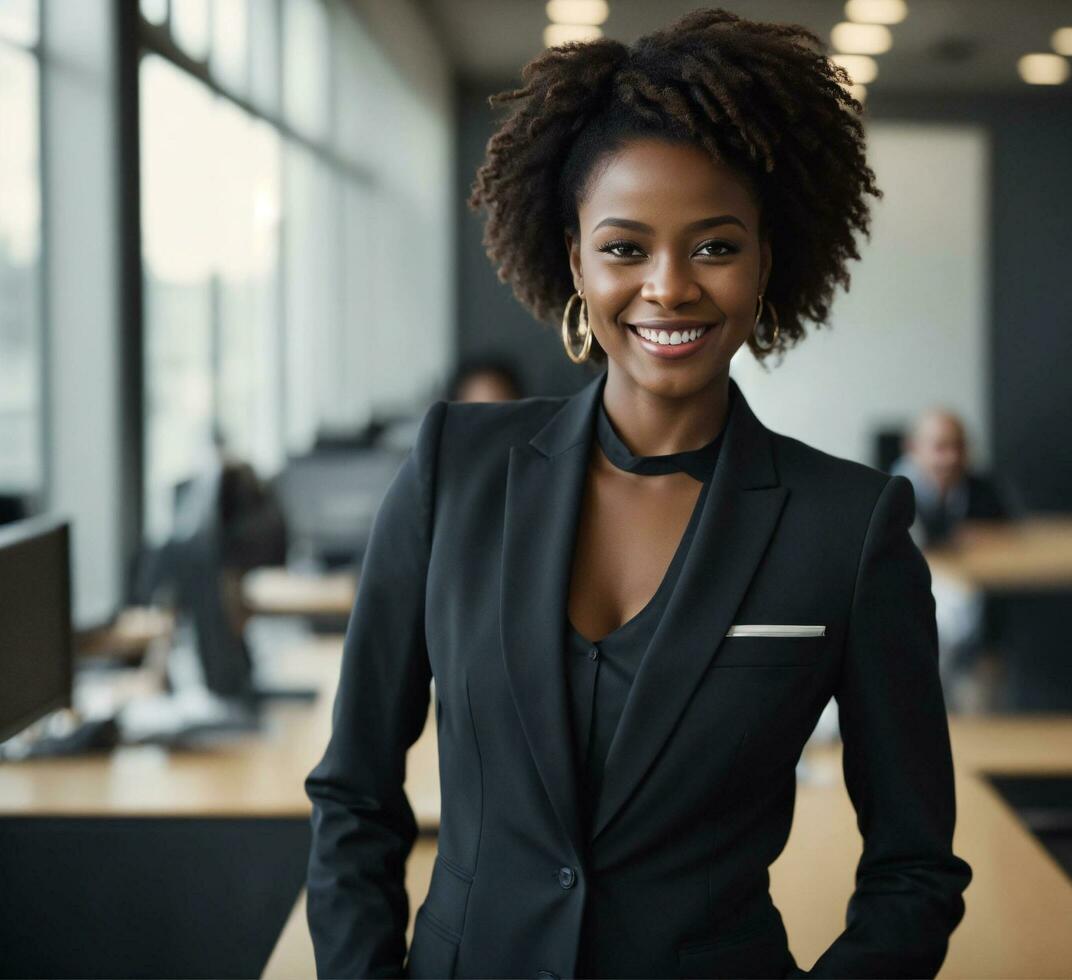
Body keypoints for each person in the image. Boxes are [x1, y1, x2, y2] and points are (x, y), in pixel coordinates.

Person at [304, 9, 972, 979]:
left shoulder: (849, 526)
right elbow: (357, 793)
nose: (669, 286)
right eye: (625, 248)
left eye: (713, 246)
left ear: (765, 262)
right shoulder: (455, 468)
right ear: (574, 257)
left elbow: (914, 864)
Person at [891, 408, 1015, 549]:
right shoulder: (891, 498)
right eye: (941, 447)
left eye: (959, 446)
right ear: (912, 448)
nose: (953, 457)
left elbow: (1010, 532)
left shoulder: (984, 490)